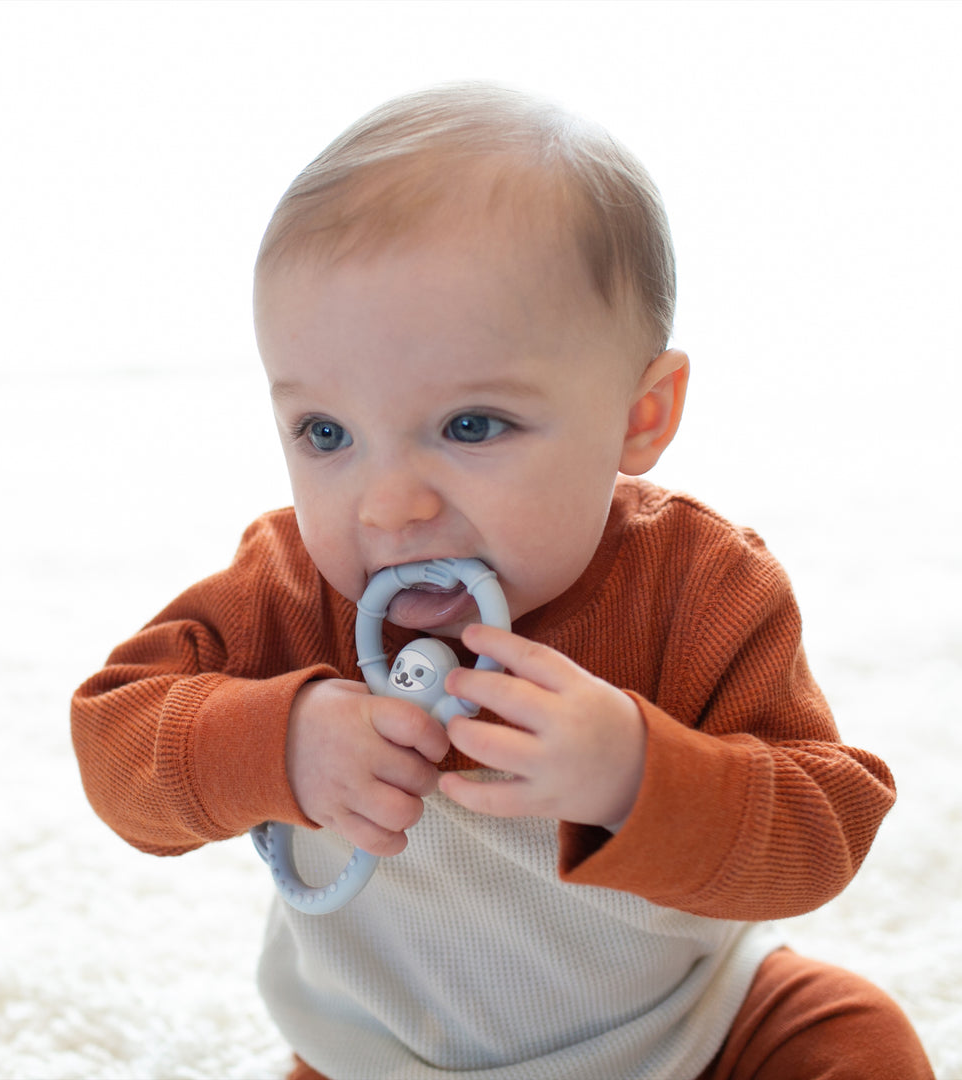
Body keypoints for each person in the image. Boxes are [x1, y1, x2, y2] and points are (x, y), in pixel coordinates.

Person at [71, 84, 932, 1079]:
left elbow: (826, 828)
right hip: (381, 1057)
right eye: (326, 434)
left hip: (686, 1031)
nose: (387, 506)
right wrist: (277, 744)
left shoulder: (703, 586)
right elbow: (115, 747)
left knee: (851, 1035)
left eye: (470, 426)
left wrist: (635, 775)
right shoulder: (286, 590)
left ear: (640, 418)